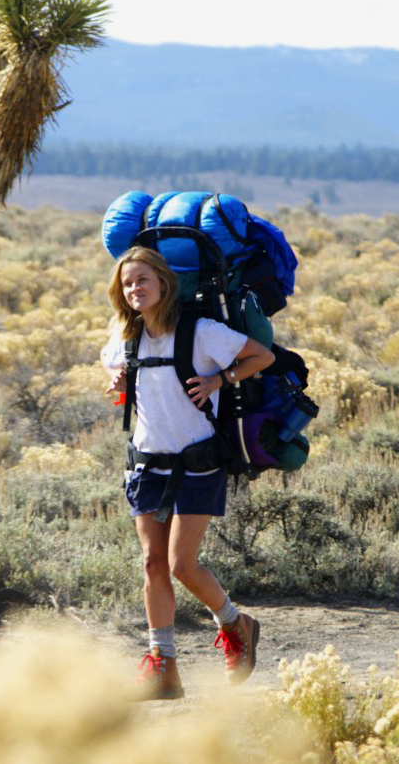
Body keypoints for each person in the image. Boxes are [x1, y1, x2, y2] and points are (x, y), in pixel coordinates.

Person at [100, 245, 275, 700]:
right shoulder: (123, 338)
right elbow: (126, 388)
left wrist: (221, 379)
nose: (134, 288)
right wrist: (119, 385)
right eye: (127, 282)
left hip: (198, 462)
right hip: (146, 463)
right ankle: (163, 668)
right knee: (152, 564)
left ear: (164, 283)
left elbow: (262, 356)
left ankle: (236, 624)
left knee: (181, 564)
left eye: (142, 280)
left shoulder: (201, 332)